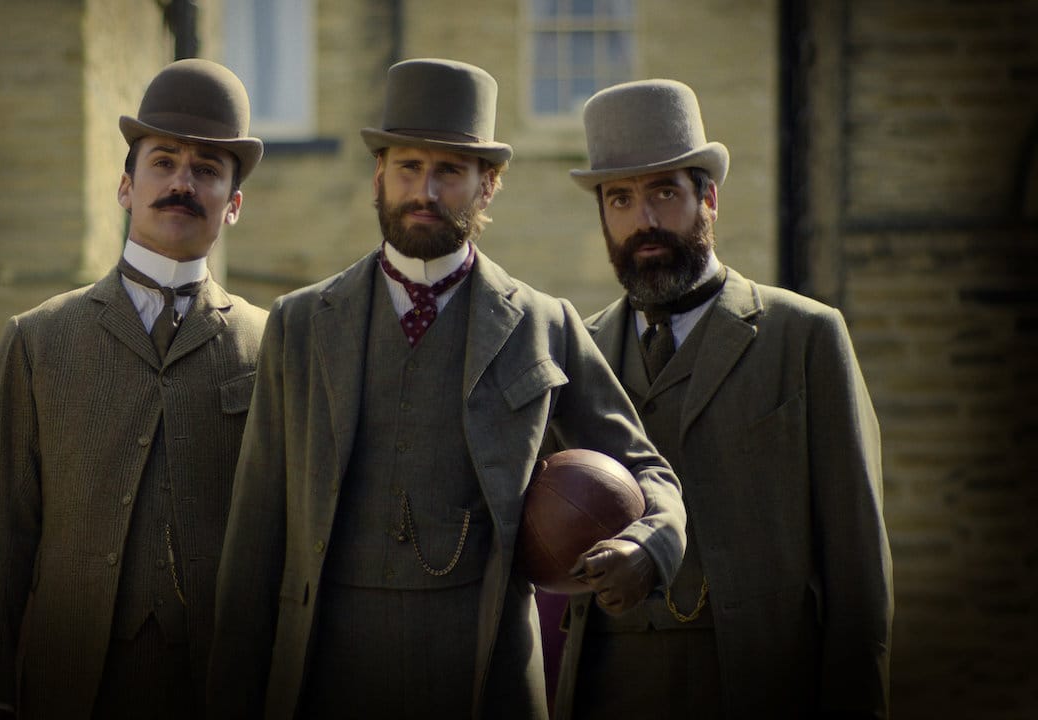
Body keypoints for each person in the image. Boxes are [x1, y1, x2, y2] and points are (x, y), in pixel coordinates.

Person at [206, 58, 686, 720]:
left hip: (484, 670)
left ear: (488, 187)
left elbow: (645, 468)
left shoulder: (542, 325)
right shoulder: (302, 323)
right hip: (325, 668)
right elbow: (255, 530)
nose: (425, 190)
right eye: (408, 168)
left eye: (450, 172)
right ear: (379, 175)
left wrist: (650, 543)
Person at [552, 79, 893, 719]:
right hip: (609, 687)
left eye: (664, 192)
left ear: (708, 197)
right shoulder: (578, 352)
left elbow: (858, 571)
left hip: (760, 684)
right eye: (620, 199)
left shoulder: (806, 336)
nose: (644, 220)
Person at [0, 58, 268, 719]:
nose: (183, 181)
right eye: (164, 161)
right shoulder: (37, 341)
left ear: (232, 204)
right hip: (69, 690)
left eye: (208, 169)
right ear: (126, 186)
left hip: (223, 690)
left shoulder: (273, 349)